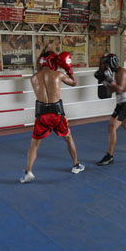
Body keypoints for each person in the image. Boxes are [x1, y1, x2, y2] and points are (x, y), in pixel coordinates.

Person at [20, 52, 84, 183]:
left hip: (41, 115)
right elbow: (74, 83)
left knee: (34, 145)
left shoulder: (33, 78)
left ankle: (28, 172)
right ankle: (76, 165)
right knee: (68, 138)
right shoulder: (58, 75)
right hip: (57, 114)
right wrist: (68, 69)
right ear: (52, 62)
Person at [95, 54, 126, 166]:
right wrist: (104, 81)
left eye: (107, 64)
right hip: (122, 102)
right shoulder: (115, 73)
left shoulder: (121, 71)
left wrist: (108, 78)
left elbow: (120, 88)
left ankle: (109, 156)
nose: (106, 66)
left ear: (111, 63)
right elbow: (113, 90)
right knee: (125, 125)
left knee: (112, 126)